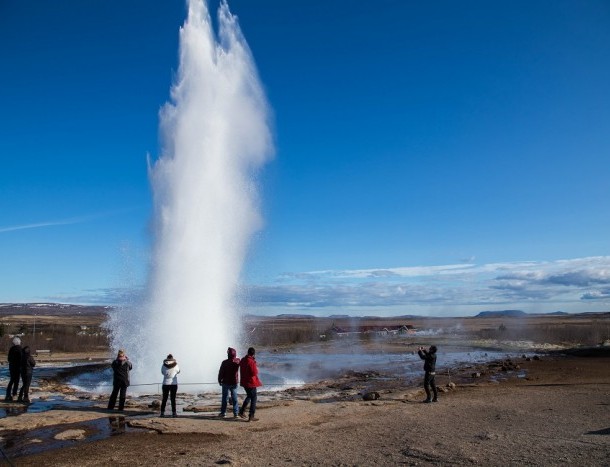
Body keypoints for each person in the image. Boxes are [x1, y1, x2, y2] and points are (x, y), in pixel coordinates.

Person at [238, 347, 262, 422]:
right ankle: (251, 416)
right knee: (254, 398)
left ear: (247, 352)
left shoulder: (243, 359)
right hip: (250, 383)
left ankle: (241, 412)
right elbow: (254, 372)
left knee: (249, 396)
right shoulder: (251, 361)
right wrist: (254, 362)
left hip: (244, 382)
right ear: (253, 354)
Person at [217, 347, 240, 418]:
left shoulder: (224, 362)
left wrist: (219, 380)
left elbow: (221, 372)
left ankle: (223, 413)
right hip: (234, 382)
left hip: (226, 382)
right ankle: (236, 413)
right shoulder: (238, 361)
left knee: (225, 398)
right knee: (235, 398)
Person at [160, 354, 180, 418]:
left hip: (165, 383)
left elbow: (162, 372)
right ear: (172, 358)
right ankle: (174, 413)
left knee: (164, 399)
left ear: (167, 358)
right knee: (173, 399)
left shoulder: (163, 365)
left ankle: (162, 413)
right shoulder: (176, 365)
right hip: (173, 384)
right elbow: (178, 371)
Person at [5, 337, 22, 402]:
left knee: (11, 380)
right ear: (19, 342)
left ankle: (8, 394)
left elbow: (8, 359)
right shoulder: (20, 349)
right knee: (16, 381)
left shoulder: (11, 349)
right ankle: (14, 394)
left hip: (12, 367)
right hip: (18, 367)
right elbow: (22, 359)